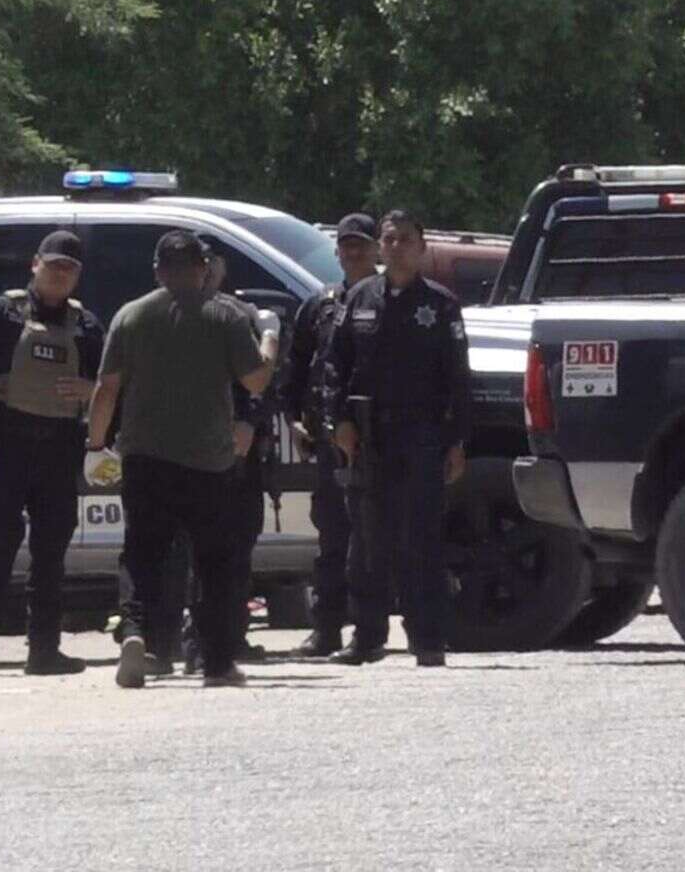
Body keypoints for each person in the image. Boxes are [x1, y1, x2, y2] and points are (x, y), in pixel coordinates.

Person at [87, 230, 279, 689]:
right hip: (208, 462)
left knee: (141, 554)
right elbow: (255, 381)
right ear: (202, 268)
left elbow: (106, 389)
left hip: (144, 458)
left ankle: (134, 632)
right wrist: (270, 339)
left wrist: (95, 445)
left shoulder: (131, 316)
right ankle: (216, 663)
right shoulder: (225, 315)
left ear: (157, 269)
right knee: (214, 562)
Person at [0, 230, 104, 677]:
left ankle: (44, 650)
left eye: (69, 268)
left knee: (51, 551)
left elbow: (112, 387)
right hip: (6, 442)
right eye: (53, 265)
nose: (60, 274)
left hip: (60, 445)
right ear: (35, 264)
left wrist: (89, 390)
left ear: (78, 276)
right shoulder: (1, 313)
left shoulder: (88, 326)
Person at [325, 210, 470, 668]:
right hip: (369, 436)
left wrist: (456, 441)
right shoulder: (361, 299)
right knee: (367, 542)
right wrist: (339, 421)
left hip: (422, 436)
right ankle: (367, 637)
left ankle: (427, 638)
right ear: (380, 247)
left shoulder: (441, 305)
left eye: (406, 239)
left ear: (422, 246)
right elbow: (335, 365)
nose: (397, 247)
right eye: (389, 239)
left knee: (421, 540)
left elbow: (458, 379)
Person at [281, 212, 380, 657]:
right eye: (346, 245)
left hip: (382, 440)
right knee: (333, 537)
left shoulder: (389, 301)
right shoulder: (319, 304)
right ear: (336, 251)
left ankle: (373, 629)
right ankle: (327, 629)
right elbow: (297, 367)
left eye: (362, 243)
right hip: (329, 441)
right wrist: (295, 418)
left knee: (377, 536)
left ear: (376, 247)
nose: (354, 252)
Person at [180, 247, 277, 675]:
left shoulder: (241, 315)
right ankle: (195, 642)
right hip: (191, 448)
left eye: (210, 264)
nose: (205, 271)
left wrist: (251, 423)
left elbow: (266, 380)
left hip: (240, 447)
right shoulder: (169, 313)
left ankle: (231, 633)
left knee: (239, 542)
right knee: (197, 548)